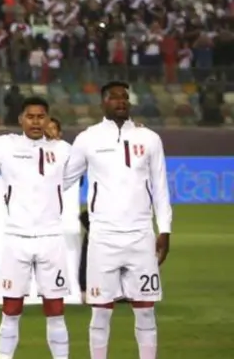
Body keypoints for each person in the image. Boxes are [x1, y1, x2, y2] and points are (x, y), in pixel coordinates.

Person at [0, 97, 79, 359]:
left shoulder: (64, 150)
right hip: (16, 239)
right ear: (21, 120)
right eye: (30, 116)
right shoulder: (6, 145)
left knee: (55, 310)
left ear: (48, 120)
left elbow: (83, 165)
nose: (36, 122)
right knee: (11, 309)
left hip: (51, 238)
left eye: (41, 117)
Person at [70, 81, 172, 359]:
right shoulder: (87, 139)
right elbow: (65, 178)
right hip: (103, 238)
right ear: (103, 103)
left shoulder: (149, 138)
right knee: (101, 312)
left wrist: (164, 230)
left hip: (141, 236)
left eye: (125, 97)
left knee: (146, 310)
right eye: (114, 97)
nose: (121, 101)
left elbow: (160, 187)